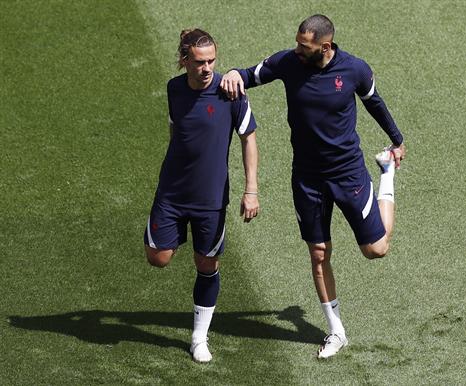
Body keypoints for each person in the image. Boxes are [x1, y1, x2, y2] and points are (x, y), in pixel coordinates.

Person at [220, 14, 406, 359]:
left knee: (376, 249)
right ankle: (336, 331)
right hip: (307, 178)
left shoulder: (355, 70)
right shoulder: (289, 63)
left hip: (348, 174)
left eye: (304, 46)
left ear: (326, 46)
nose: (296, 50)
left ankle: (386, 175)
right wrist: (233, 73)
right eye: (296, 43)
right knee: (319, 253)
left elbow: (374, 102)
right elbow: (250, 75)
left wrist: (396, 141)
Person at [144, 28, 259, 363]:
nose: (207, 67)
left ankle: (198, 337)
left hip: (211, 199)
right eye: (199, 61)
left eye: (211, 60)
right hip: (172, 192)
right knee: (158, 258)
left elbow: (248, 138)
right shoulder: (173, 89)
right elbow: (175, 128)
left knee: (206, 264)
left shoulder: (231, 93)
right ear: (184, 60)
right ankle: (171, 231)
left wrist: (251, 190)